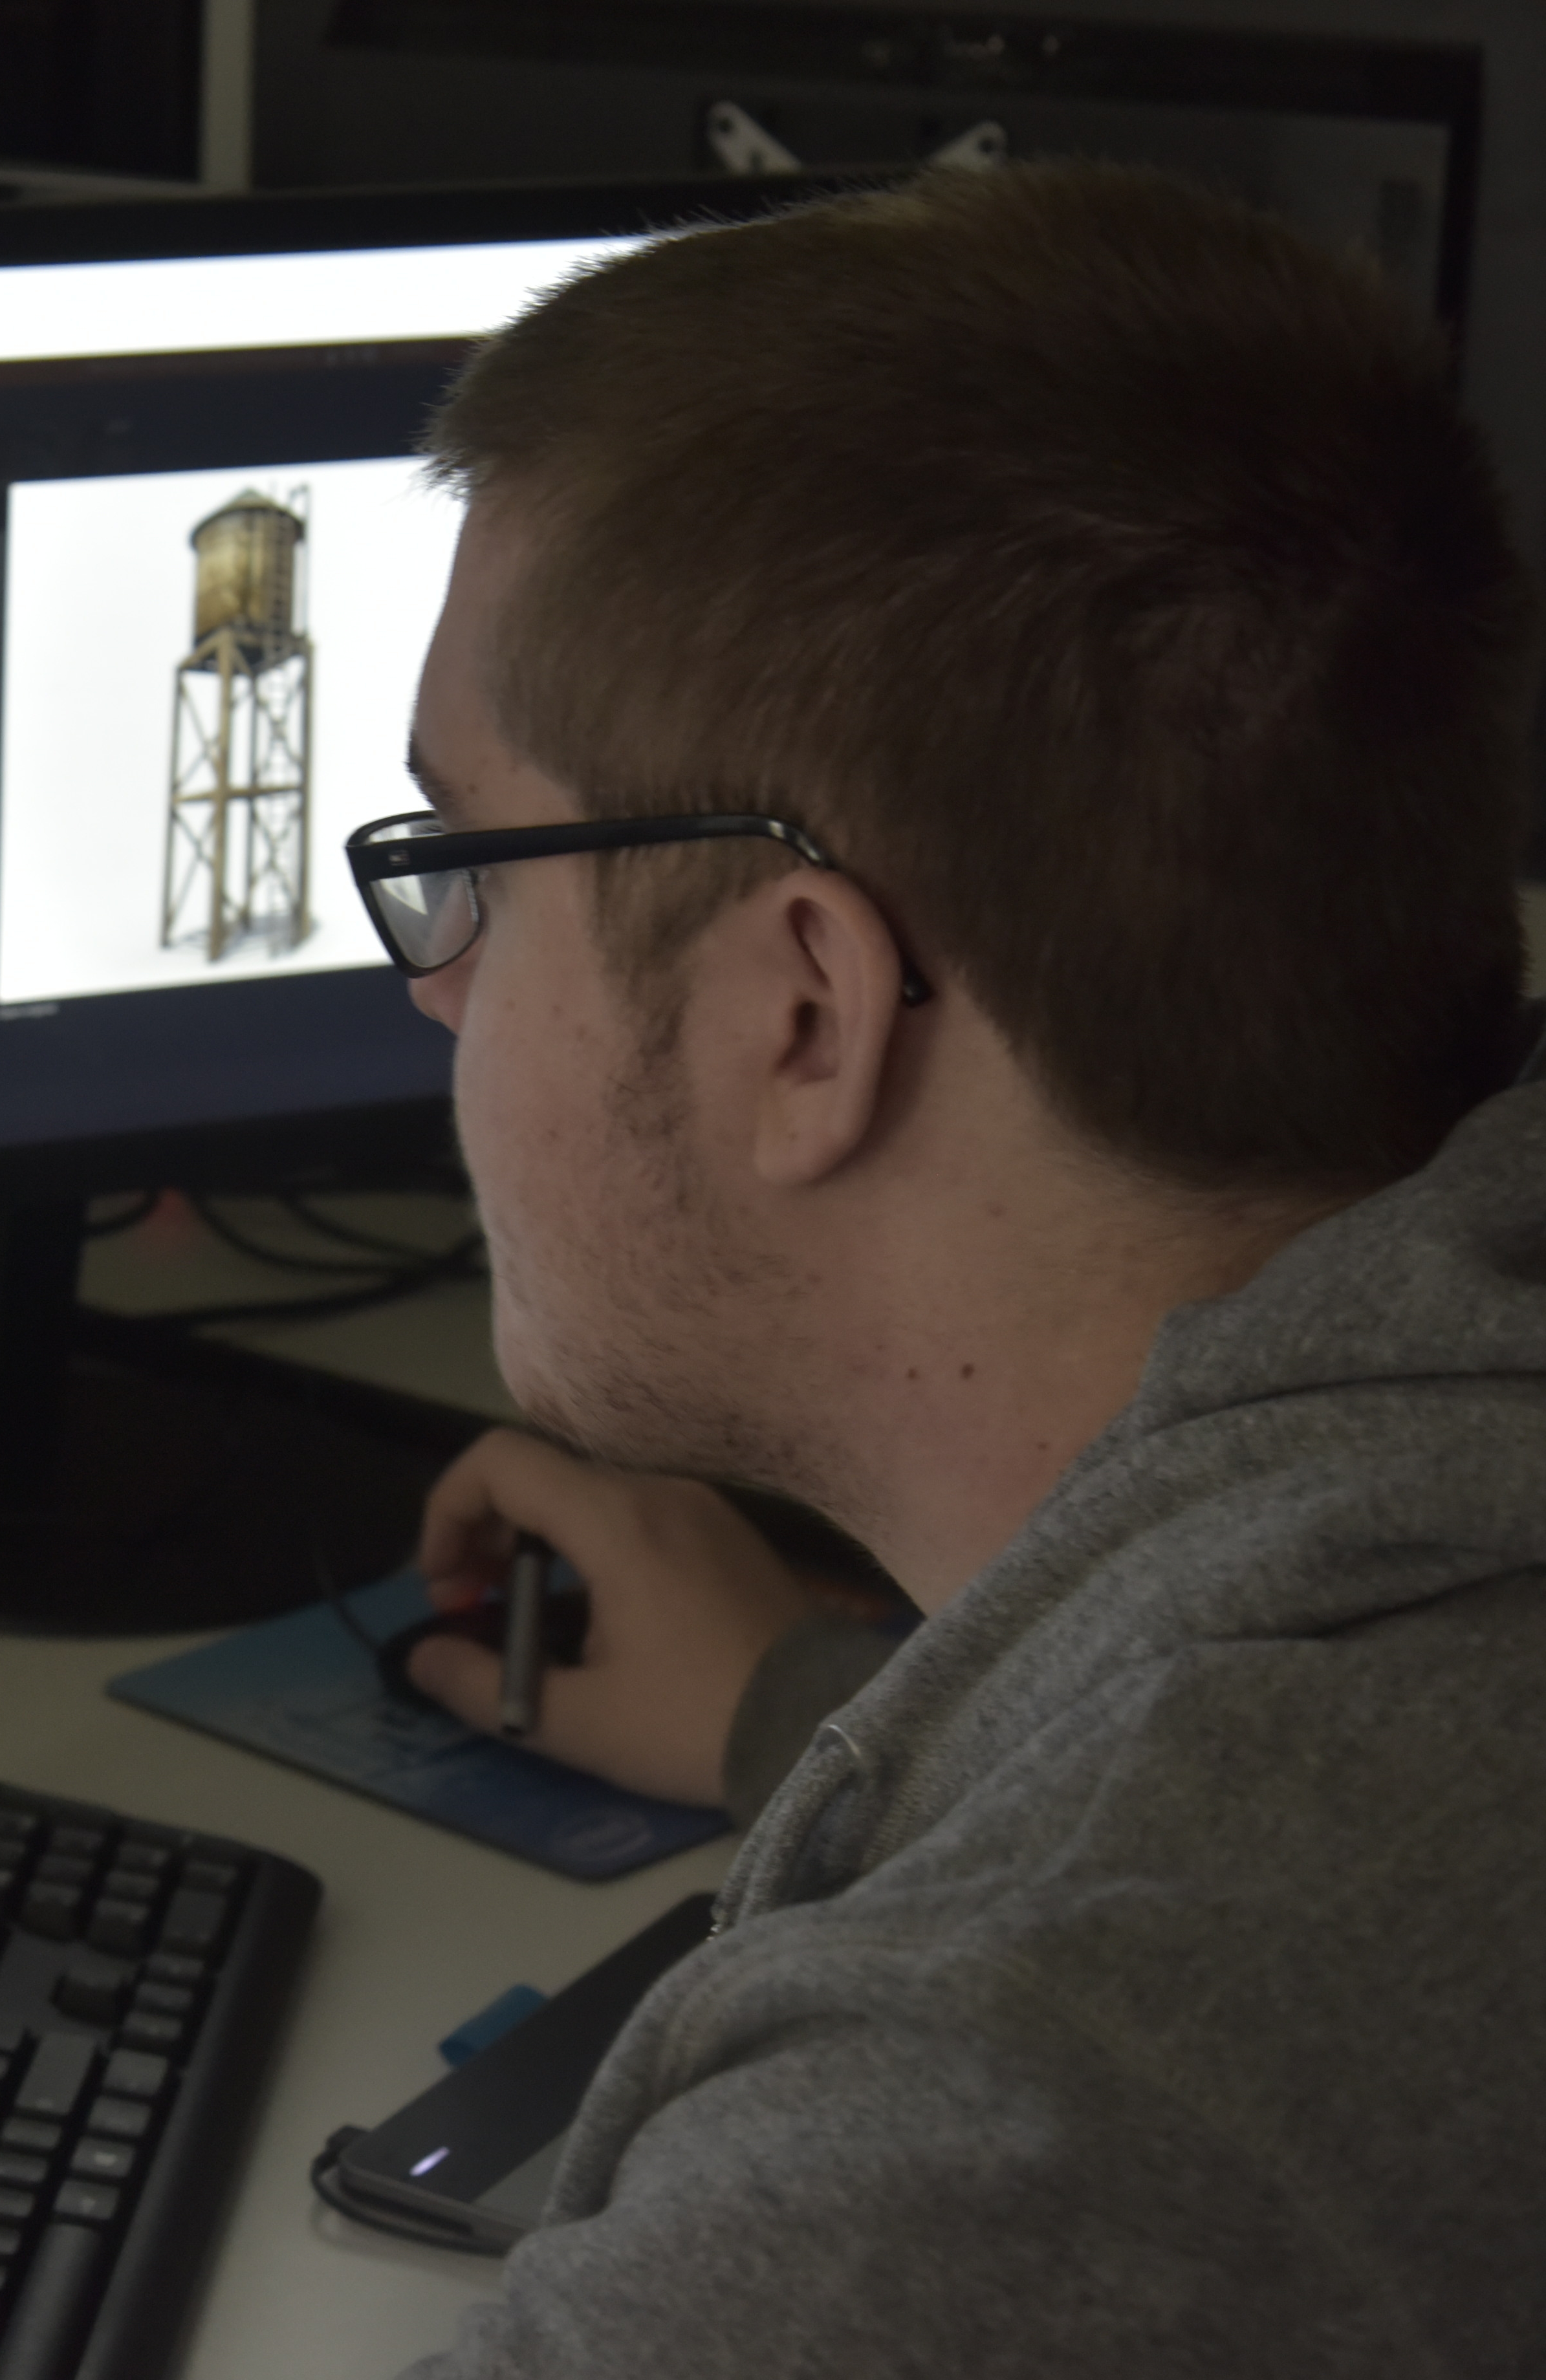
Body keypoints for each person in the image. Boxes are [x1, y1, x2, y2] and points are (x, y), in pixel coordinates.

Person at [347, 160, 1546, 2373]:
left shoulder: (1037, 2095)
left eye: (466, 871)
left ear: (800, 1011)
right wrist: (809, 1711)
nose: (434, 988)